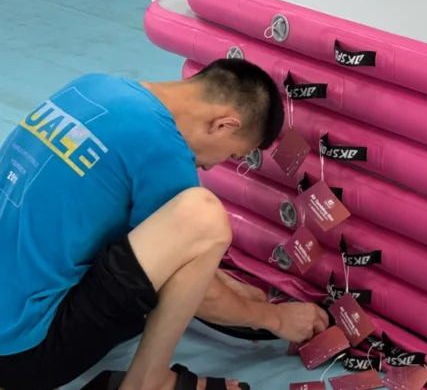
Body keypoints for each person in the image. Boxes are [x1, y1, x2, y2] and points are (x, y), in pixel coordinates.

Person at [0, 59, 330, 390]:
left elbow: (166, 247)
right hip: (21, 356)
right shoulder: (161, 147)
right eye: (232, 155)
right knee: (204, 215)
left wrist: (234, 288)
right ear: (224, 125)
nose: (212, 167)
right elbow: (202, 293)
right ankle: (149, 381)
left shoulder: (93, 87)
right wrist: (275, 318)